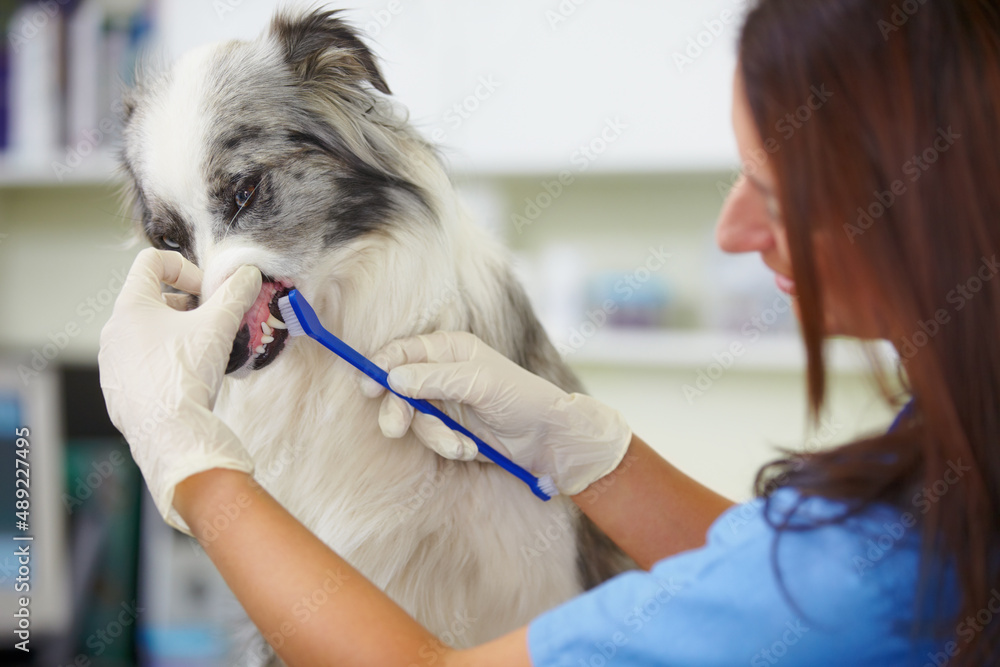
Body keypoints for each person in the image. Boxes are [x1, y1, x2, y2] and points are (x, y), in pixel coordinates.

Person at [97, 0, 1000, 664]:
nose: (731, 232)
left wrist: (193, 465)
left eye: (770, 193)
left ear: (920, 198)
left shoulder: (875, 564)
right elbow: (775, 585)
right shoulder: (953, 458)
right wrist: (599, 456)